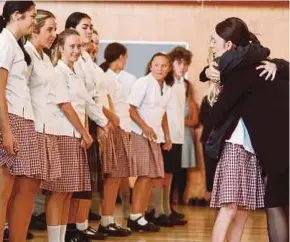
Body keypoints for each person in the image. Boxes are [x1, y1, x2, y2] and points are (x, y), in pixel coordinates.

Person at [203, 17, 289, 242]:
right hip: (256, 148)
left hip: (260, 149)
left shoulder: (239, 71)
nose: (212, 45)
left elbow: (216, 113)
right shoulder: (256, 62)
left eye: (214, 41)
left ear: (228, 45)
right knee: (238, 208)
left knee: (254, 207)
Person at [0, 2, 41, 242]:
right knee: (3, 192)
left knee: (23, 189)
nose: (34, 21)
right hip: (10, 119)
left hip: (23, 119)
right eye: (32, 16)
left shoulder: (16, 45)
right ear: (17, 15)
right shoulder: (4, 42)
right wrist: (6, 131)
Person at [127, 52, 172, 232]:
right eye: (156, 65)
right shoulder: (143, 83)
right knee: (144, 174)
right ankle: (135, 216)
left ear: (168, 69)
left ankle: (140, 214)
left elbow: (163, 114)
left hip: (154, 136)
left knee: (152, 176)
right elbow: (131, 109)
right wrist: (144, 127)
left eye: (163, 65)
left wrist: (167, 136)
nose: (160, 68)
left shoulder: (167, 88)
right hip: (139, 133)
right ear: (151, 66)